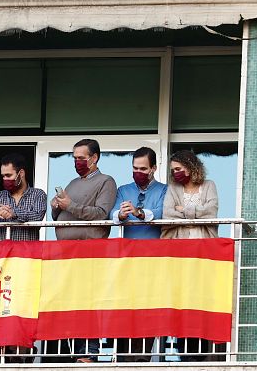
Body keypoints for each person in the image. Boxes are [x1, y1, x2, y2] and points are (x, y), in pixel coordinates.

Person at [50, 138, 117, 363]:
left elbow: (101, 214)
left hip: (90, 252)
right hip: (66, 252)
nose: (77, 162)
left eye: (81, 158)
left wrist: (70, 205)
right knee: (71, 302)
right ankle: (70, 351)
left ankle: (89, 352)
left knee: (89, 301)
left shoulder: (106, 181)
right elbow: (60, 216)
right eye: (75, 158)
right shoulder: (71, 183)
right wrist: (56, 207)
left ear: (94, 158)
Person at [109, 147, 167, 362]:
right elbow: (111, 214)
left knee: (148, 307)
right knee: (125, 306)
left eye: (143, 168)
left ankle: (142, 357)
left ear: (153, 168)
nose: (138, 172)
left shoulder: (164, 190)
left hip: (153, 258)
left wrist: (139, 212)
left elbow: (163, 212)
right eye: (135, 168)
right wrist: (121, 214)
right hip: (127, 258)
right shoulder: (124, 189)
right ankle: (122, 356)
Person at [161, 149, 220, 362]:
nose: (176, 173)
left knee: (203, 299)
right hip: (180, 253)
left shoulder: (209, 186)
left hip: (204, 253)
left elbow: (211, 211)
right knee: (182, 299)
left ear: (191, 167)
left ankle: (204, 352)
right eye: (173, 170)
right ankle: (183, 352)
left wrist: (184, 211)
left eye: (179, 169)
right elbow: (168, 214)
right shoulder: (174, 188)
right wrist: (196, 212)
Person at [0, 153, 47, 241]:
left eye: (8, 175)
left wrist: (14, 213)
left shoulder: (38, 194)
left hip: (27, 252)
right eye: (3, 176)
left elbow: (38, 217)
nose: (5, 179)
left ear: (21, 173)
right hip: (3, 252)